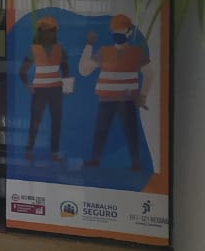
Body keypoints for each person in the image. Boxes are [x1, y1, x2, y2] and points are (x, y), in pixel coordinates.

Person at [79, 13, 153, 172]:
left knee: (131, 131)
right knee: (101, 130)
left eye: (121, 29)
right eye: (115, 30)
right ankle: (95, 159)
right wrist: (89, 45)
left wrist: (143, 95)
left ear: (129, 31)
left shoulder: (135, 52)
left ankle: (135, 162)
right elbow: (84, 70)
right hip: (106, 100)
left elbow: (149, 73)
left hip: (126, 100)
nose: (117, 33)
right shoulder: (104, 52)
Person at [18, 15, 69, 162]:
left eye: (50, 30)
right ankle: (29, 150)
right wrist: (27, 85)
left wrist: (65, 85)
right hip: (41, 90)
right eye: (45, 31)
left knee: (56, 122)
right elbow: (22, 71)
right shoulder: (34, 50)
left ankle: (53, 153)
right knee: (36, 121)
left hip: (55, 90)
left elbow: (65, 69)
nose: (48, 34)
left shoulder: (59, 50)